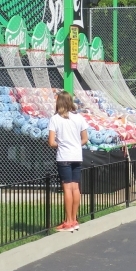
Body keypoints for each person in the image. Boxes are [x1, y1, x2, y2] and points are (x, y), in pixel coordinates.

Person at [47, 91, 89, 232]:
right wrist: (75, 144)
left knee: (67, 189)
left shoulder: (55, 119)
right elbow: (85, 139)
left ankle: (68, 221)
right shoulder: (79, 118)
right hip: (77, 156)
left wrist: (62, 144)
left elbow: (51, 142)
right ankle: (74, 219)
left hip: (64, 157)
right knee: (75, 188)